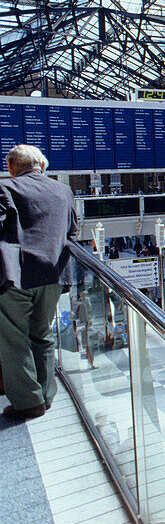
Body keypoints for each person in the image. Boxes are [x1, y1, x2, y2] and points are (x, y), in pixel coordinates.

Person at [0, 144, 77, 419]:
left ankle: (28, 401)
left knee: (13, 339)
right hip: (55, 275)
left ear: (11, 168)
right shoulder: (63, 190)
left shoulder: (6, 189)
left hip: (17, 277)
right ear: (42, 166)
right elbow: (73, 230)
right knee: (42, 335)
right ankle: (46, 395)